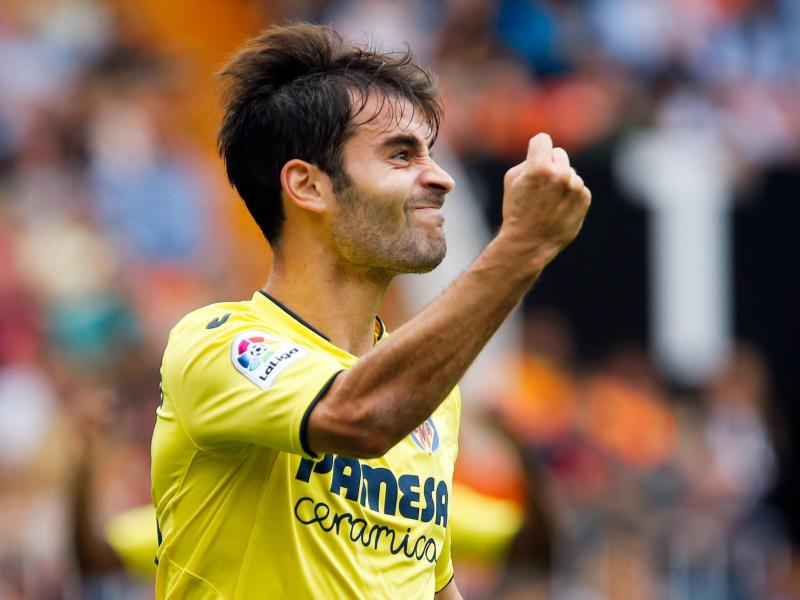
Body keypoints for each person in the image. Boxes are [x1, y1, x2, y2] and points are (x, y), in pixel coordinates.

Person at [150, 21, 590, 600]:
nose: (441, 178)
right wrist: (522, 246)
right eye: (401, 154)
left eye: (430, 153)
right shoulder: (215, 345)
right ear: (308, 186)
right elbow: (358, 416)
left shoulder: (429, 393)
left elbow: (428, 584)